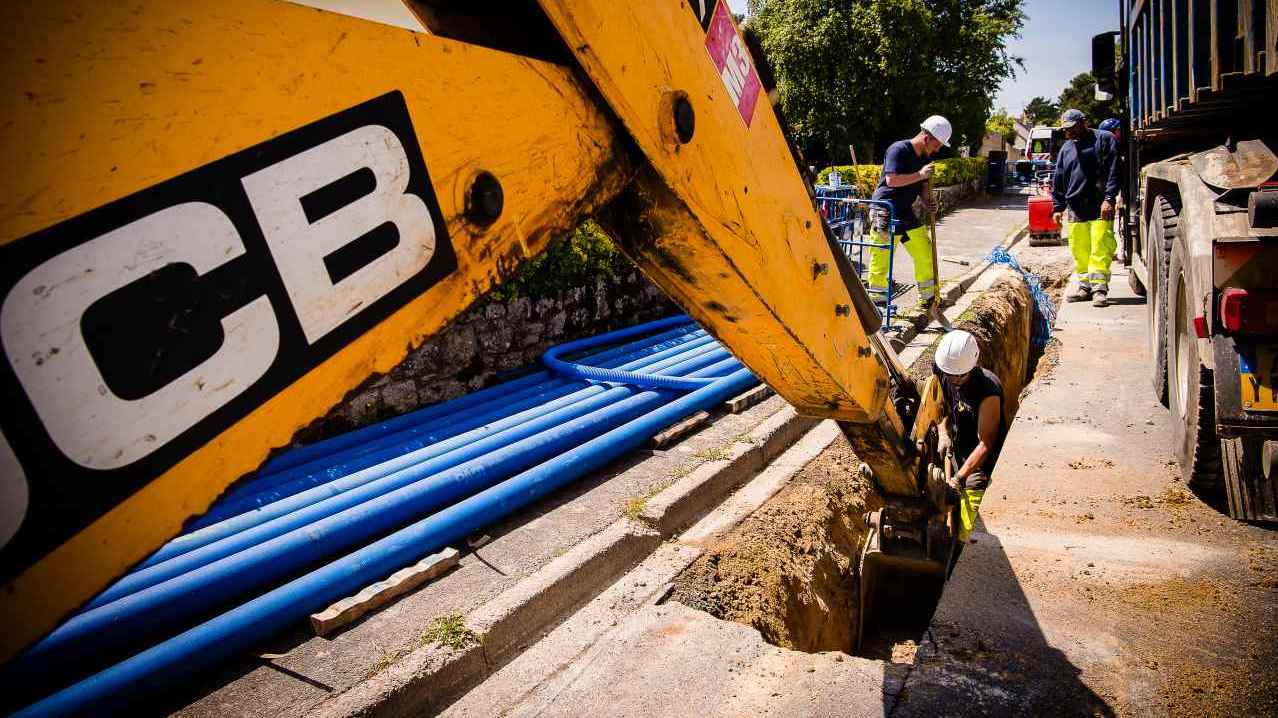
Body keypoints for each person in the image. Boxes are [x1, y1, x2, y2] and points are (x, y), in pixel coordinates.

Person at [867, 115, 952, 308]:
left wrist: (928, 201)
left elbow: (922, 186)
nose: (937, 149)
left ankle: (929, 298)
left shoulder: (924, 158)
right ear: (926, 137)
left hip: (904, 211)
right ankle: (877, 301)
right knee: (882, 256)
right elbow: (892, 180)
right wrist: (920, 174)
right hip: (885, 208)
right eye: (937, 144)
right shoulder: (898, 149)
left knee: (924, 250)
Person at [933, 329, 1004, 543]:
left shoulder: (987, 390)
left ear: (971, 367)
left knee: (971, 507)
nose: (953, 380)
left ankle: (964, 549)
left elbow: (986, 443)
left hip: (979, 460)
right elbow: (943, 409)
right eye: (949, 375)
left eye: (959, 376)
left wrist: (958, 478)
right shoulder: (944, 370)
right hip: (956, 446)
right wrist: (943, 431)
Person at [1051, 108, 1121, 307]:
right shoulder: (1066, 148)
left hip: (1100, 205)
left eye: (1072, 128)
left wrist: (1109, 198)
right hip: (1075, 207)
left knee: (1100, 246)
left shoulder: (1105, 139)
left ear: (1083, 122)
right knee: (1079, 249)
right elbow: (1059, 178)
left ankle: (1100, 289)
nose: (1068, 133)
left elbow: (1114, 170)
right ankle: (1085, 288)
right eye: (1066, 130)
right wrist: (1058, 206)